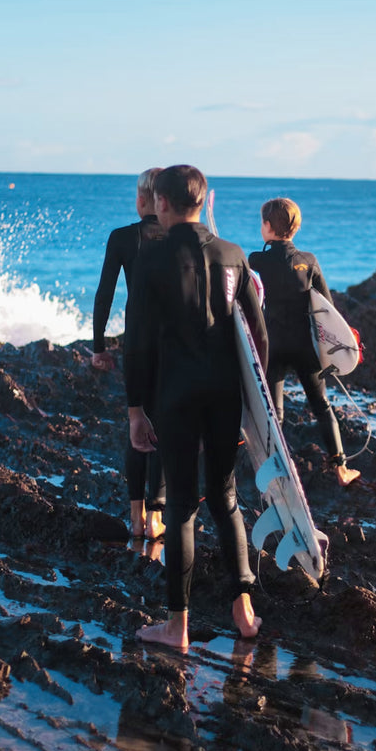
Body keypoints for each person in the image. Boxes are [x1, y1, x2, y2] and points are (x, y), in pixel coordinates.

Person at [124, 165, 267, 649]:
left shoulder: (153, 258)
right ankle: (244, 610)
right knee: (226, 499)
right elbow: (258, 335)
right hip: (226, 395)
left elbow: (138, 344)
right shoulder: (234, 255)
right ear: (204, 202)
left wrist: (135, 410)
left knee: (182, 507)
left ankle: (176, 626)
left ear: (161, 203)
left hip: (177, 396)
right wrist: (257, 407)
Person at [248, 197, 360, 487]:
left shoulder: (258, 260)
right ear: (295, 228)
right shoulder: (308, 261)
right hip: (304, 347)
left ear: (268, 226)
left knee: (275, 411)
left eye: (263, 222)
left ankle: (276, 469)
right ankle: (341, 468)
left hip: (273, 345)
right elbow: (327, 310)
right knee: (321, 405)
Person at [91, 168, 166, 540]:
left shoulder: (122, 237)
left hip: (136, 345)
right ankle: (156, 517)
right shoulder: (182, 239)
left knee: (136, 427)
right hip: (174, 347)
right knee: (163, 426)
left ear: (141, 199)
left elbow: (104, 293)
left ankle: (135, 518)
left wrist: (99, 346)